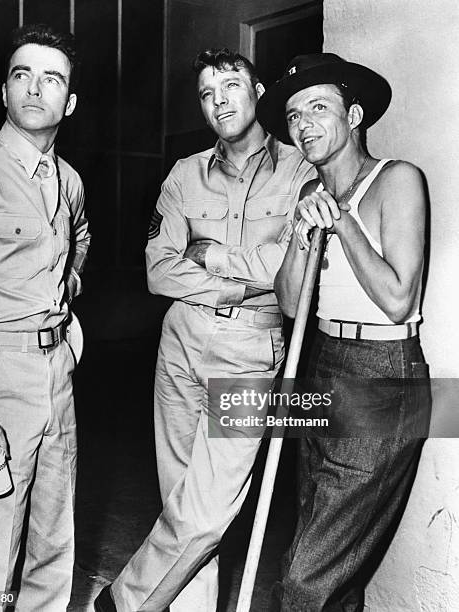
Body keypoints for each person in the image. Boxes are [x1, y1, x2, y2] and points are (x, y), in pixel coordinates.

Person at [94, 48, 314, 612]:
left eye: (232, 87)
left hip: (250, 351)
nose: (220, 102)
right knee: (179, 500)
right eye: (207, 94)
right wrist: (241, 280)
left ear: (259, 92)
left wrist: (214, 256)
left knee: (207, 510)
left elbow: (295, 269)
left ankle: (123, 601)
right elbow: (158, 269)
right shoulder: (183, 172)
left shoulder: (301, 172)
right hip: (179, 344)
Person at [255, 53, 429, 611]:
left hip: (383, 374)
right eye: (292, 114)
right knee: (322, 551)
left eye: (318, 107)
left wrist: (344, 222)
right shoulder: (308, 196)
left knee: (307, 577)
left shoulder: (397, 179)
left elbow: (399, 300)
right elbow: (288, 301)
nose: (303, 123)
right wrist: (306, 235)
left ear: (353, 115)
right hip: (323, 361)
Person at [0, 24, 90, 611]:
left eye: (52, 78)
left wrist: (64, 287)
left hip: (57, 370)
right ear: (3, 92)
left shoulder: (70, 180)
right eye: (21, 74)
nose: (35, 88)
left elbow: (77, 241)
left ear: (70, 102)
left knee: (53, 541)